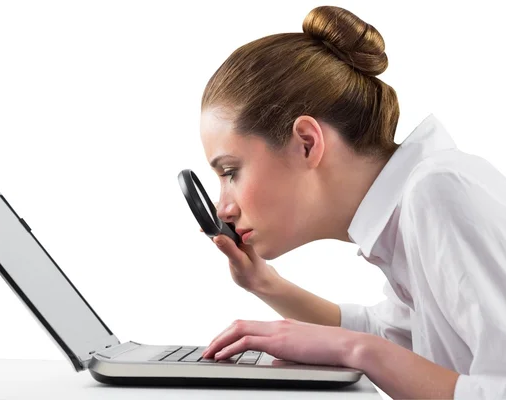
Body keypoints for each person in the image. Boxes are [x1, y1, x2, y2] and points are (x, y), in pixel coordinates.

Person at [197, 5, 506, 400]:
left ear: (306, 143)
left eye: (230, 171)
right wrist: (266, 285)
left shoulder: (439, 191)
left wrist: (355, 352)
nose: (224, 208)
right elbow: (393, 337)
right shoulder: (410, 210)